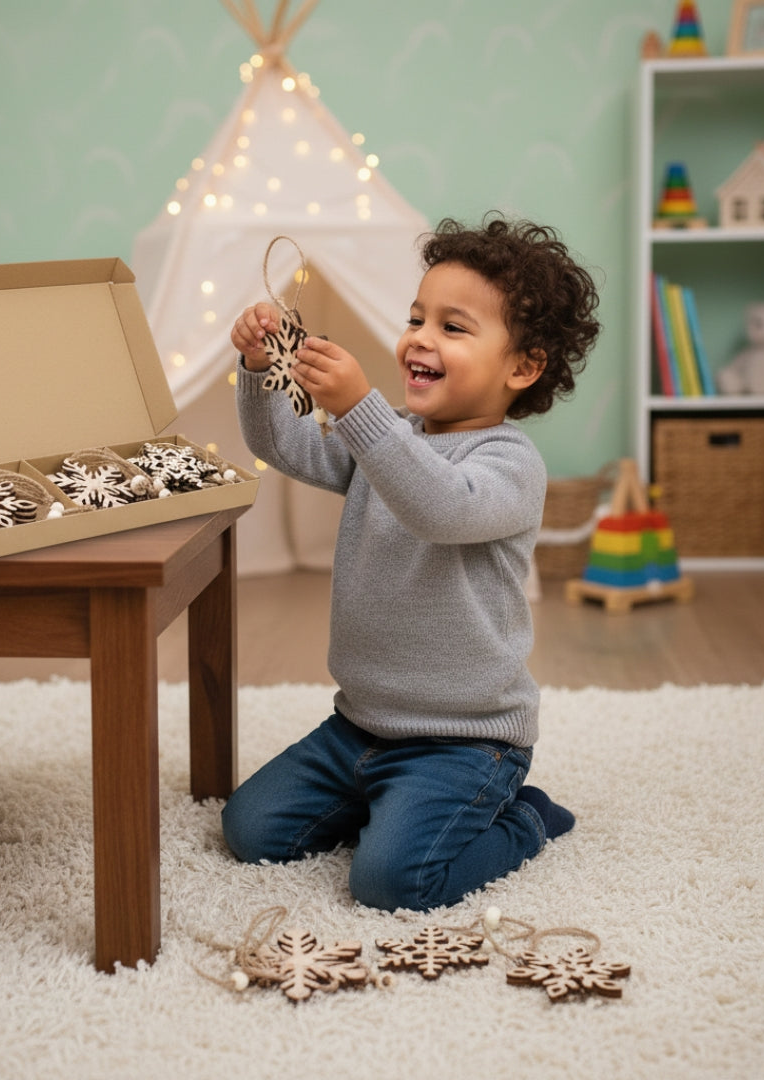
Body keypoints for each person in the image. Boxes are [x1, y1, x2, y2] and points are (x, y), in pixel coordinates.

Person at [223, 214, 601, 912]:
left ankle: (523, 818)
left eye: (454, 328)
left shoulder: (511, 464)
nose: (421, 338)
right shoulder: (390, 433)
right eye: (417, 318)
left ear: (523, 366)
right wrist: (256, 371)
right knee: (249, 830)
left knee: (394, 883)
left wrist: (359, 410)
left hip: (466, 743)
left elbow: (441, 506)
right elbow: (292, 449)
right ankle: (389, 805)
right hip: (360, 724)